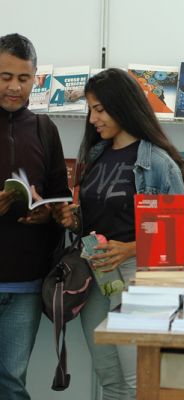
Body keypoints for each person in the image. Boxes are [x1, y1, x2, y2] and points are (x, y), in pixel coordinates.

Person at [53, 67, 184, 400]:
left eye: (99, 110)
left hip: (136, 276)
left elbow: (176, 238)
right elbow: (97, 218)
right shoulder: (96, 156)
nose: (93, 119)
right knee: (109, 378)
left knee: (136, 381)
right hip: (94, 272)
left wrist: (130, 249)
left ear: (123, 106)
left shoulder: (156, 163)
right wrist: (73, 219)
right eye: (90, 110)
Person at [0, 33, 70, 400]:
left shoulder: (46, 129)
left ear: (35, 78)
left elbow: (63, 197)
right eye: (5, 76)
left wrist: (49, 213)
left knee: (12, 382)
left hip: (26, 283)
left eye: (23, 78)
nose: (14, 87)